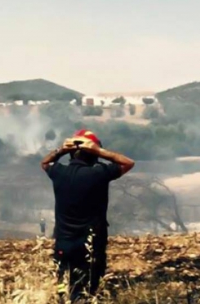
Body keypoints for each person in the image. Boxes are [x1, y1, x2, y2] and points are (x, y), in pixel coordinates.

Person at [41, 129, 135, 302]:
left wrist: (61, 150)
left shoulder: (59, 172)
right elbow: (128, 163)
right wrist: (100, 151)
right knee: (88, 291)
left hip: (64, 243)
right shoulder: (98, 174)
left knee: (63, 291)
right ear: (92, 154)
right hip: (91, 244)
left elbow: (45, 163)